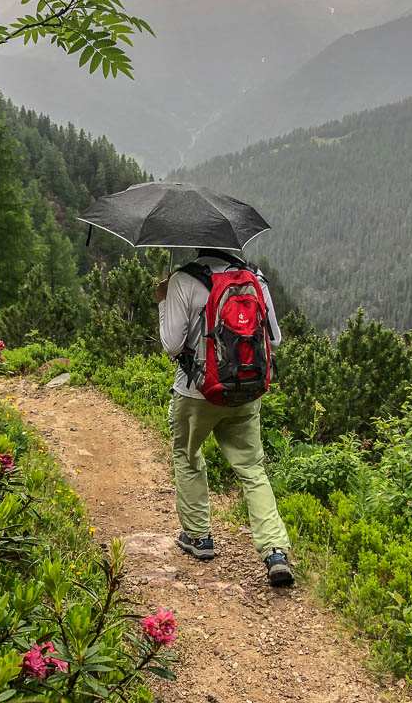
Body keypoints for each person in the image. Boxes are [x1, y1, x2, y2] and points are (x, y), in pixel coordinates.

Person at [156, 248, 294, 587]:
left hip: (196, 392)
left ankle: (199, 536)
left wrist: (163, 301)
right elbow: (274, 340)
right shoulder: (254, 278)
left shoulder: (183, 279)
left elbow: (171, 345)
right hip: (245, 390)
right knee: (252, 469)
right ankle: (275, 551)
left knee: (188, 455)